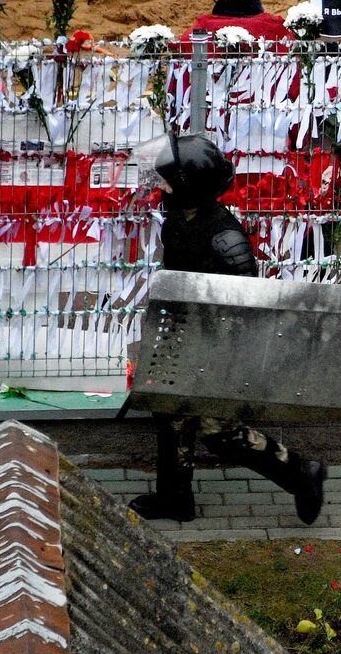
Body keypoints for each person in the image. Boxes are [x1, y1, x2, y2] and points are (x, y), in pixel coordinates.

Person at [127, 134, 327, 524]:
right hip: (187, 339)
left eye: (168, 181)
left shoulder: (225, 239)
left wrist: (221, 362)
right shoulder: (178, 220)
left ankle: (302, 472)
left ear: (189, 186)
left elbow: (245, 306)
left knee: (219, 432)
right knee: (169, 415)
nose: (161, 187)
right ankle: (175, 499)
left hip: (220, 350)